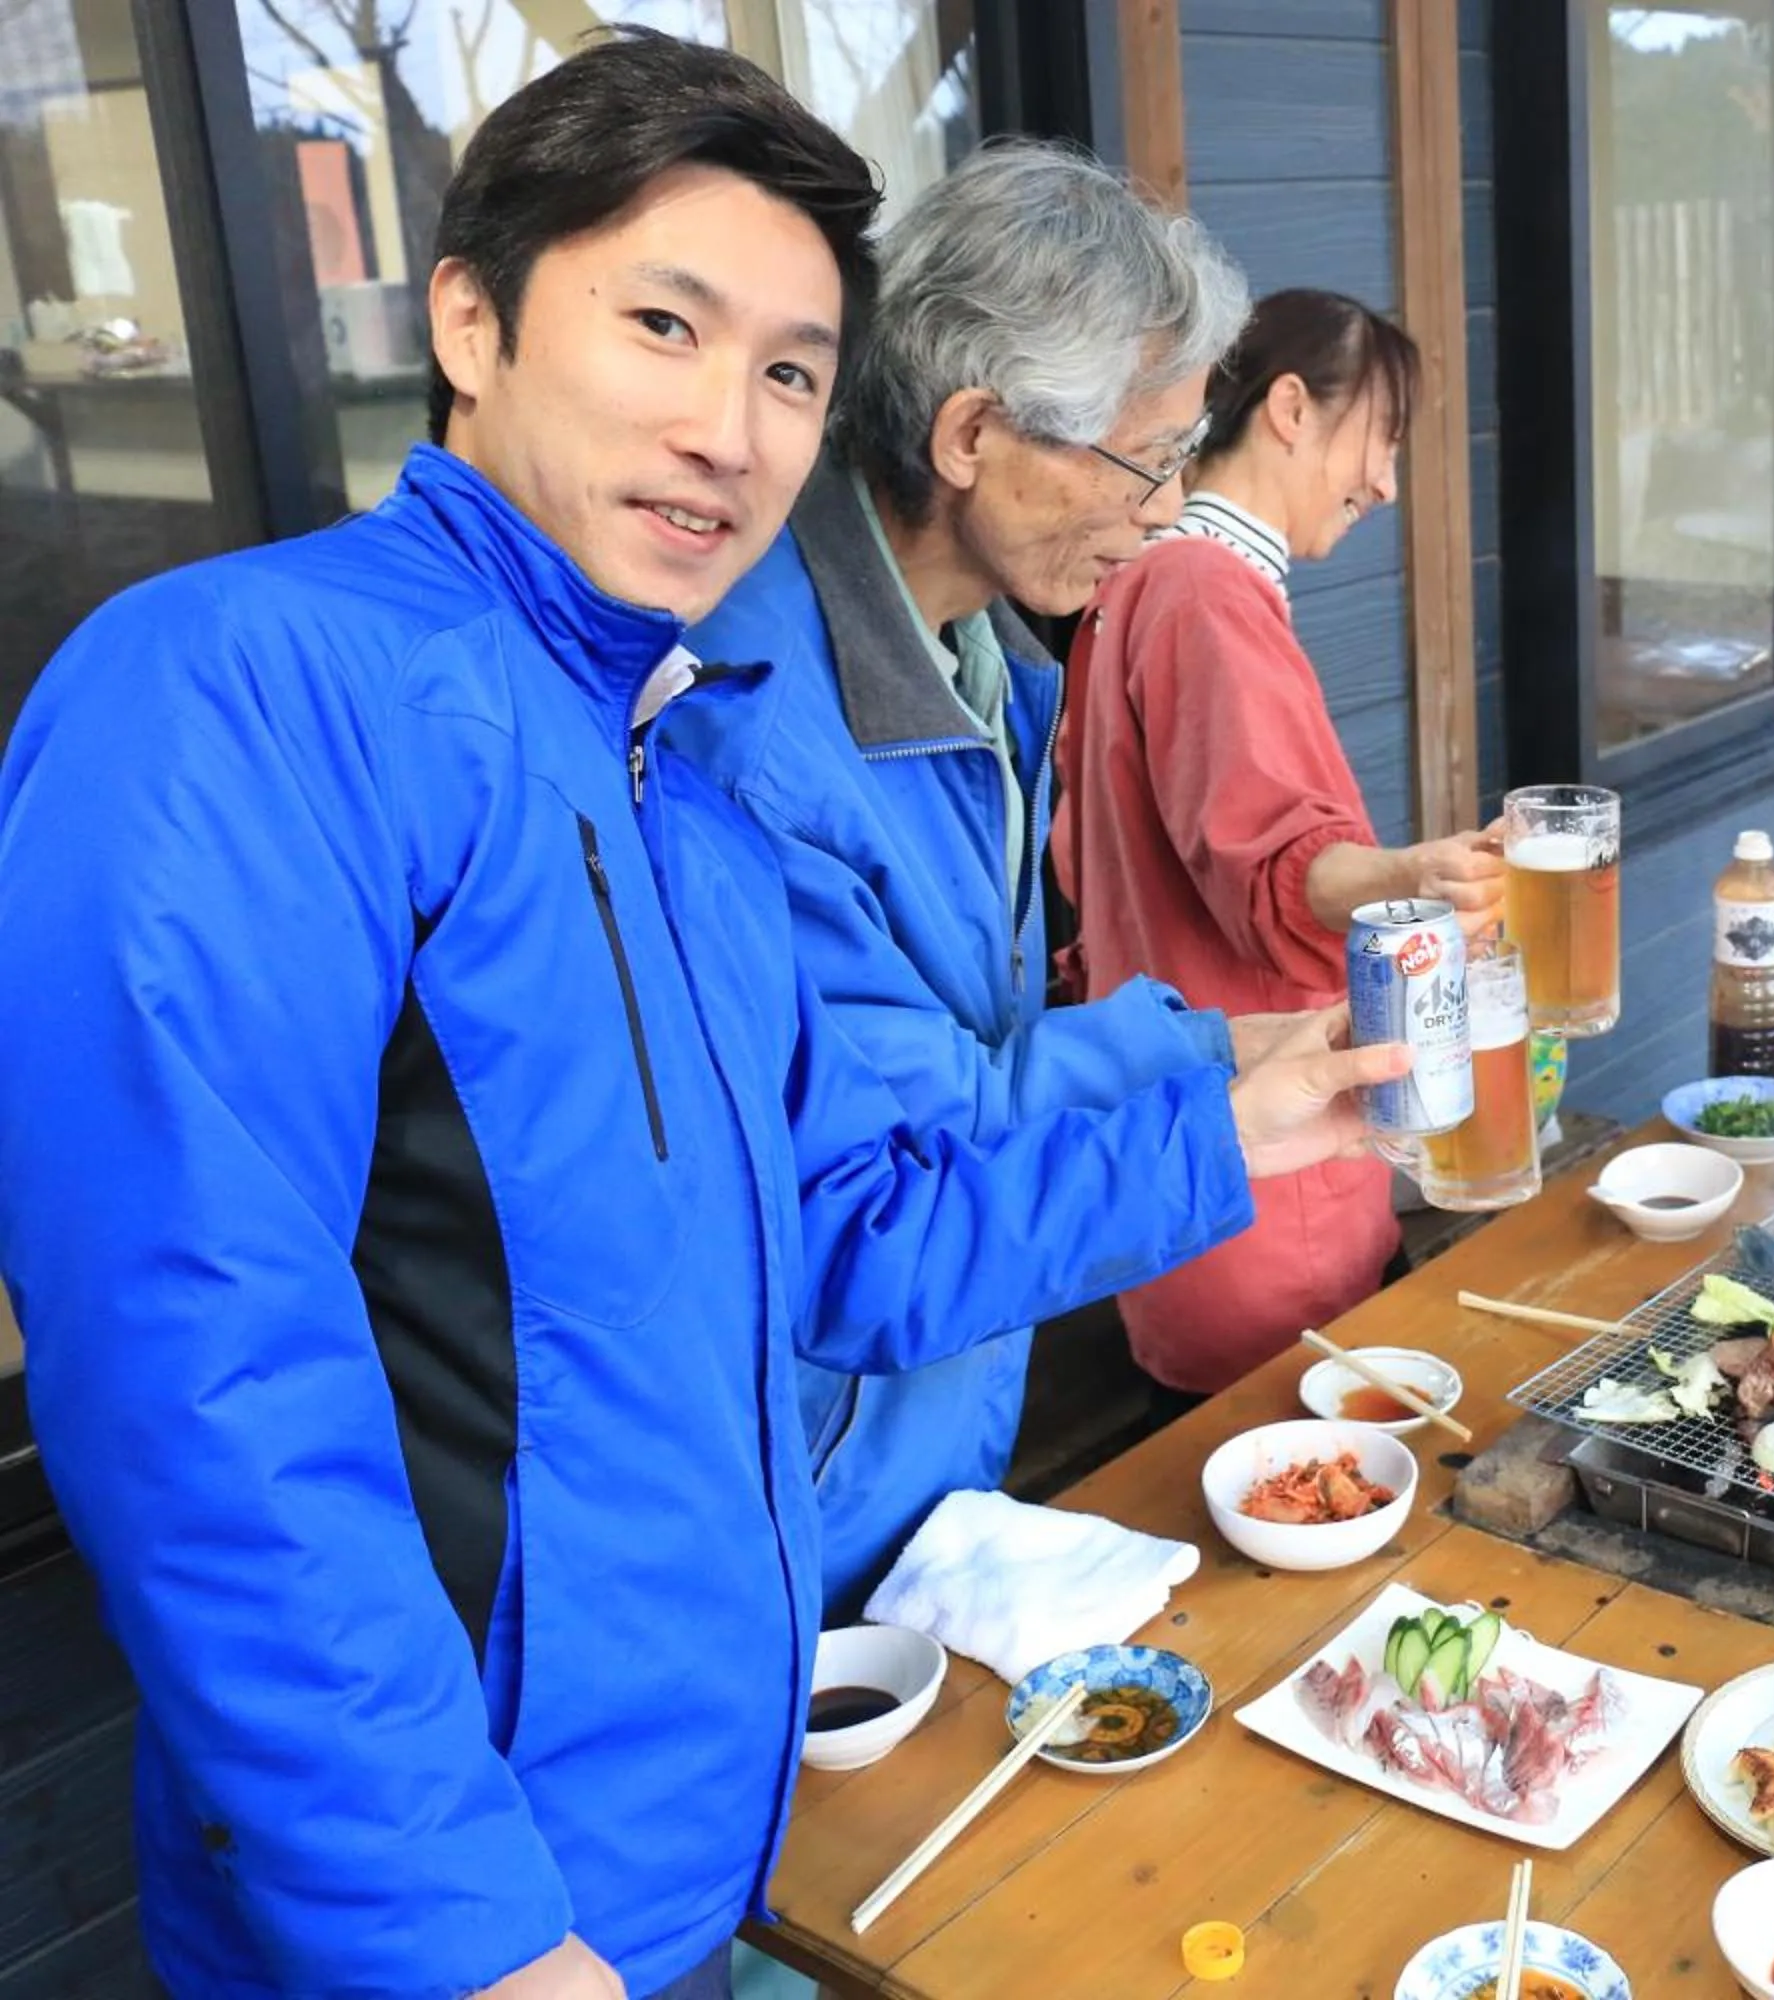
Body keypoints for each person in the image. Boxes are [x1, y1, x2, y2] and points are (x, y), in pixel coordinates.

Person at [0, 36, 1391, 2000]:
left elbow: (841, 1237)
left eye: (792, 373)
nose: (729, 429)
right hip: (460, 1918)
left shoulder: (676, 760)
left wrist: (1229, 1129)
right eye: (664, 325)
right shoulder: (242, 687)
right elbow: (195, 1377)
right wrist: (464, 1935)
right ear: (468, 322)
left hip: (680, 1848)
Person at [673, 143, 1257, 1622]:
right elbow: (895, 1166)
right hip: (802, 1496)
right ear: (973, 434)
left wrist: (1224, 1054)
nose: (1169, 509)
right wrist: (1231, 1095)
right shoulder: (758, 728)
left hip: (925, 1445)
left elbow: (962, 1061)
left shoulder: (985, 659)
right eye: (1145, 459)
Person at [1054, 288, 1504, 1396]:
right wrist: (1414, 875)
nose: (1386, 482)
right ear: (1291, 408)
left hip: (1190, 1151)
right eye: (1383, 436)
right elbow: (1276, 863)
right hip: (1270, 1186)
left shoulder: (1138, 585)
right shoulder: (1205, 591)